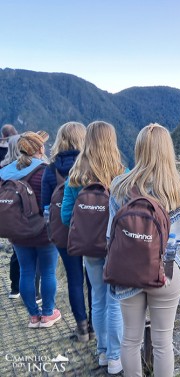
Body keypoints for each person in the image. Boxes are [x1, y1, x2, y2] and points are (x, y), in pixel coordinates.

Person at [108, 123, 180, 377]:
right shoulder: (179, 190)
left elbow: (110, 236)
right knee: (163, 343)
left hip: (128, 272)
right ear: (167, 151)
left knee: (130, 340)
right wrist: (165, 251)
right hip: (165, 272)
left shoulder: (119, 187)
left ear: (139, 149)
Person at [61, 121, 125, 374]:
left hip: (90, 249)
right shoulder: (121, 174)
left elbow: (66, 216)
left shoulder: (75, 176)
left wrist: (87, 227)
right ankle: (115, 358)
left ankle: (101, 352)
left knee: (97, 298)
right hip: (115, 247)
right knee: (115, 300)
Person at [0, 131, 61, 328]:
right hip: (44, 230)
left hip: (18, 231)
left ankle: (34, 316)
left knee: (26, 271)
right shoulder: (47, 171)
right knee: (48, 272)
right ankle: (48, 314)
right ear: (41, 149)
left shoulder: (5, 172)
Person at [41, 121, 94, 342]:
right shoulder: (91, 166)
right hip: (91, 231)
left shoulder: (51, 169)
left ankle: (81, 330)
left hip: (64, 232)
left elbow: (44, 205)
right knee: (92, 278)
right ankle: (95, 326)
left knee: (74, 279)